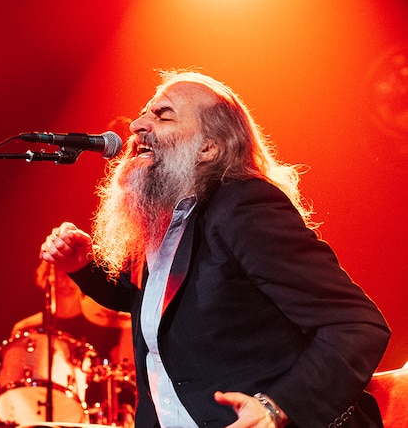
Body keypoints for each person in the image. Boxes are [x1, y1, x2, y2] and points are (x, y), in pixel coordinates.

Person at [38, 70, 390, 427]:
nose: (137, 126)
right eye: (144, 112)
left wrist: (277, 407)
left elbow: (356, 325)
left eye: (163, 115)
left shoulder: (244, 206)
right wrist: (81, 265)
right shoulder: (165, 220)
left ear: (208, 148)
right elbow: (153, 304)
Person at [0, 260, 134, 424]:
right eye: (58, 274)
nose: (64, 282)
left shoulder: (109, 322)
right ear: (45, 279)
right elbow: (12, 393)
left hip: (98, 422)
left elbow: (130, 372)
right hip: (38, 422)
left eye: (69, 275)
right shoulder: (27, 328)